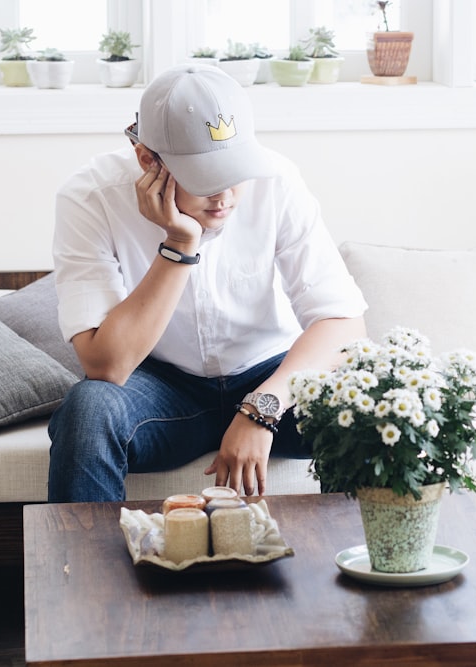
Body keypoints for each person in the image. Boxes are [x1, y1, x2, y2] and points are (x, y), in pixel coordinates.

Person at [47, 65, 367, 502]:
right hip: (164, 390)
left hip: (270, 374)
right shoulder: (89, 197)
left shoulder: (277, 180)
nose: (225, 196)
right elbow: (106, 366)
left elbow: (344, 324)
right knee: (87, 410)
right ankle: (87, 569)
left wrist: (262, 408)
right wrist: (179, 245)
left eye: (234, 171)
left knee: (367, 398)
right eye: (205, 179)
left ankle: (360, 563)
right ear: (147, 159)